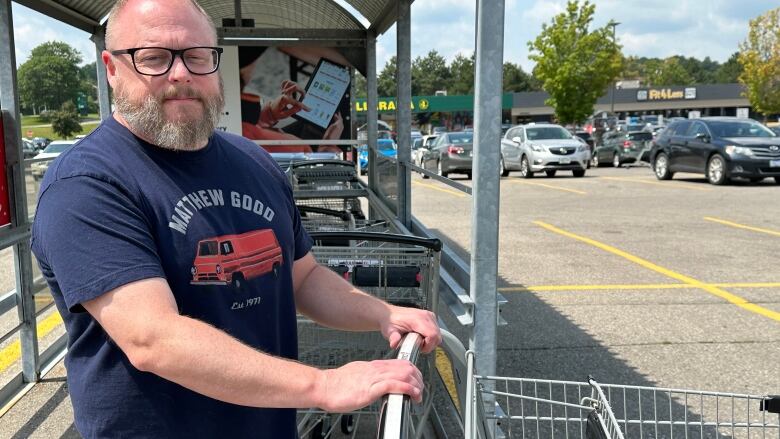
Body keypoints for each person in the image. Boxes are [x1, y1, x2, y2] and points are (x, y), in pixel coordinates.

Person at [29, 0, 441, 437]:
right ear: (112, 68)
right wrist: (323, 384)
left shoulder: (254, 162)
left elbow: (302, 279)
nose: (180, 73)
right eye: (153, 57)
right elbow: (154, 340)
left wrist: (380, 313)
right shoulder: (86, 184)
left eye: (196, 55)